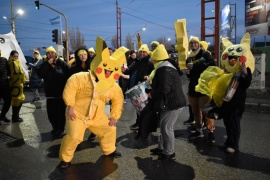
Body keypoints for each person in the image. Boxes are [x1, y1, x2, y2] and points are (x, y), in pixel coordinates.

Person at [58, 36, 128, 169]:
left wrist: (114, 117)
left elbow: (118, 100)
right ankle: (65, 159)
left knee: (109, 129)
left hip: (97, 116)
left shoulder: (113, 86)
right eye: (106, 68)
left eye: (112, 70)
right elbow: (70, 88)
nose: (108, 72)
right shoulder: (81, 77)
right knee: (74, 136)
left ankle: (109, 150)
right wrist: (70, 106)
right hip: (77, 115)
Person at [147, 44, 186, 161]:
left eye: (153, 59)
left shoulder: (165, 69)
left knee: (166, 127)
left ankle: (169, 152)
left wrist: (152, 94)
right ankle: (161, 148)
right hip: (169, 103)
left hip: (173, 104)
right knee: (163, 127)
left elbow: (165, 89)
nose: (152, 61)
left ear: (156, 59)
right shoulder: (165, 67)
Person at [186, 36, 216, 142]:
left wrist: (195, 66)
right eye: (191, 43)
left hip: (204, 87)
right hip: (193, 88)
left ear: (198, 44)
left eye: (195, 42)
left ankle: (211, 131)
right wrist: (188, 73)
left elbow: (212, 65)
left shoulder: (205, 53)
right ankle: (199, 130)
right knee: (196, 112)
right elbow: (189, 75)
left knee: (206, 111)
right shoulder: (189, 57)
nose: (193, 44)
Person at [37, 46, 70, 138]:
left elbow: (69, 71)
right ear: (46, 55)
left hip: (61, 94)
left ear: (55, 54)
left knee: (60, 113)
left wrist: (59, 61)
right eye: (48, 53)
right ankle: (55, 128)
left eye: (52, 53)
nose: (51, 54)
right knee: (51, 114)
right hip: (50, 94)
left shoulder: (61, 64)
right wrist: (47, 64)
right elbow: (40, 73)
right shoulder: (45, 64)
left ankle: (60, 129)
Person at [123, 44, 154, 130]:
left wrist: (148, 77)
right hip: (138, 87)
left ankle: (146, 125)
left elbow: (154, 73)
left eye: (144, 52)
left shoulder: (150, 62)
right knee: (138, 106)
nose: (142, 53)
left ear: (147, 53)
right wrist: (124, 70)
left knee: (146, 107)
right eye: (140, 52)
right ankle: (139, 123)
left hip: (146, 87)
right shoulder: (137, 61)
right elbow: (129, 71)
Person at [69, 47, 96, 141]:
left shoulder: (93, 66)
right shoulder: (74, 67)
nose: (83, 56)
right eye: (80, 55)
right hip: (79, 95)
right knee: (81, 115)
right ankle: (79, 133)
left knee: (93, 114)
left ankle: (94, 131)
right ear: (77, 56)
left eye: (85, 54)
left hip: (92, 93)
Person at [8, 50, 26, 123]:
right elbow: (15, 74)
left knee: (20, 100)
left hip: (19, 85)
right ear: (11, 56)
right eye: (15, 56)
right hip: (15, 85)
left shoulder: (17, 62)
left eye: (17, 56)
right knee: (16, 100)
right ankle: (15, 117)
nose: (16, 57)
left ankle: (16, 116)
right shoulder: (12, 63)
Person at [0, 50, 11, 125]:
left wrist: (9, 77)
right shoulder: (4, 60)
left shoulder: (4, 60)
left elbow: (9, 70)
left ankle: (2, 116)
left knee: (8, 100)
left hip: (4, 84)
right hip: (3, 84)